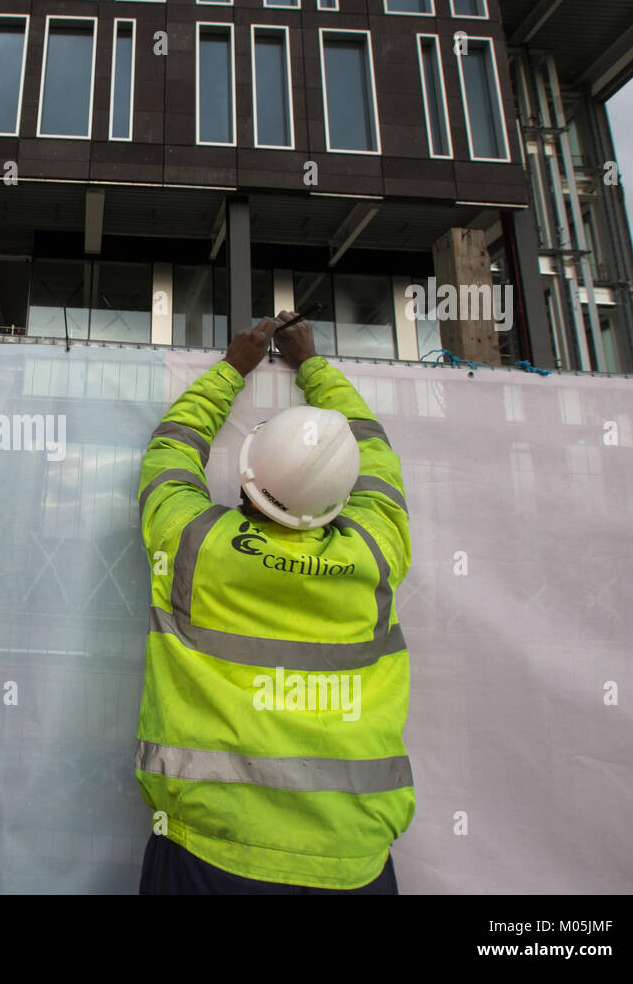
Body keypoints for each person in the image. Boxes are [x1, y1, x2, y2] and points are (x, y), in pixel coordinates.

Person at [135, 310, 413, 894]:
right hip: (351, 861)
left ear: (245, 476)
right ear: (345, 497)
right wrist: (312, 364)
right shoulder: (376, 553)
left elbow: (170, 451)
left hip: (207, 853)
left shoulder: (196, 544)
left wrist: (233, 368)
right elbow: (374, 454)